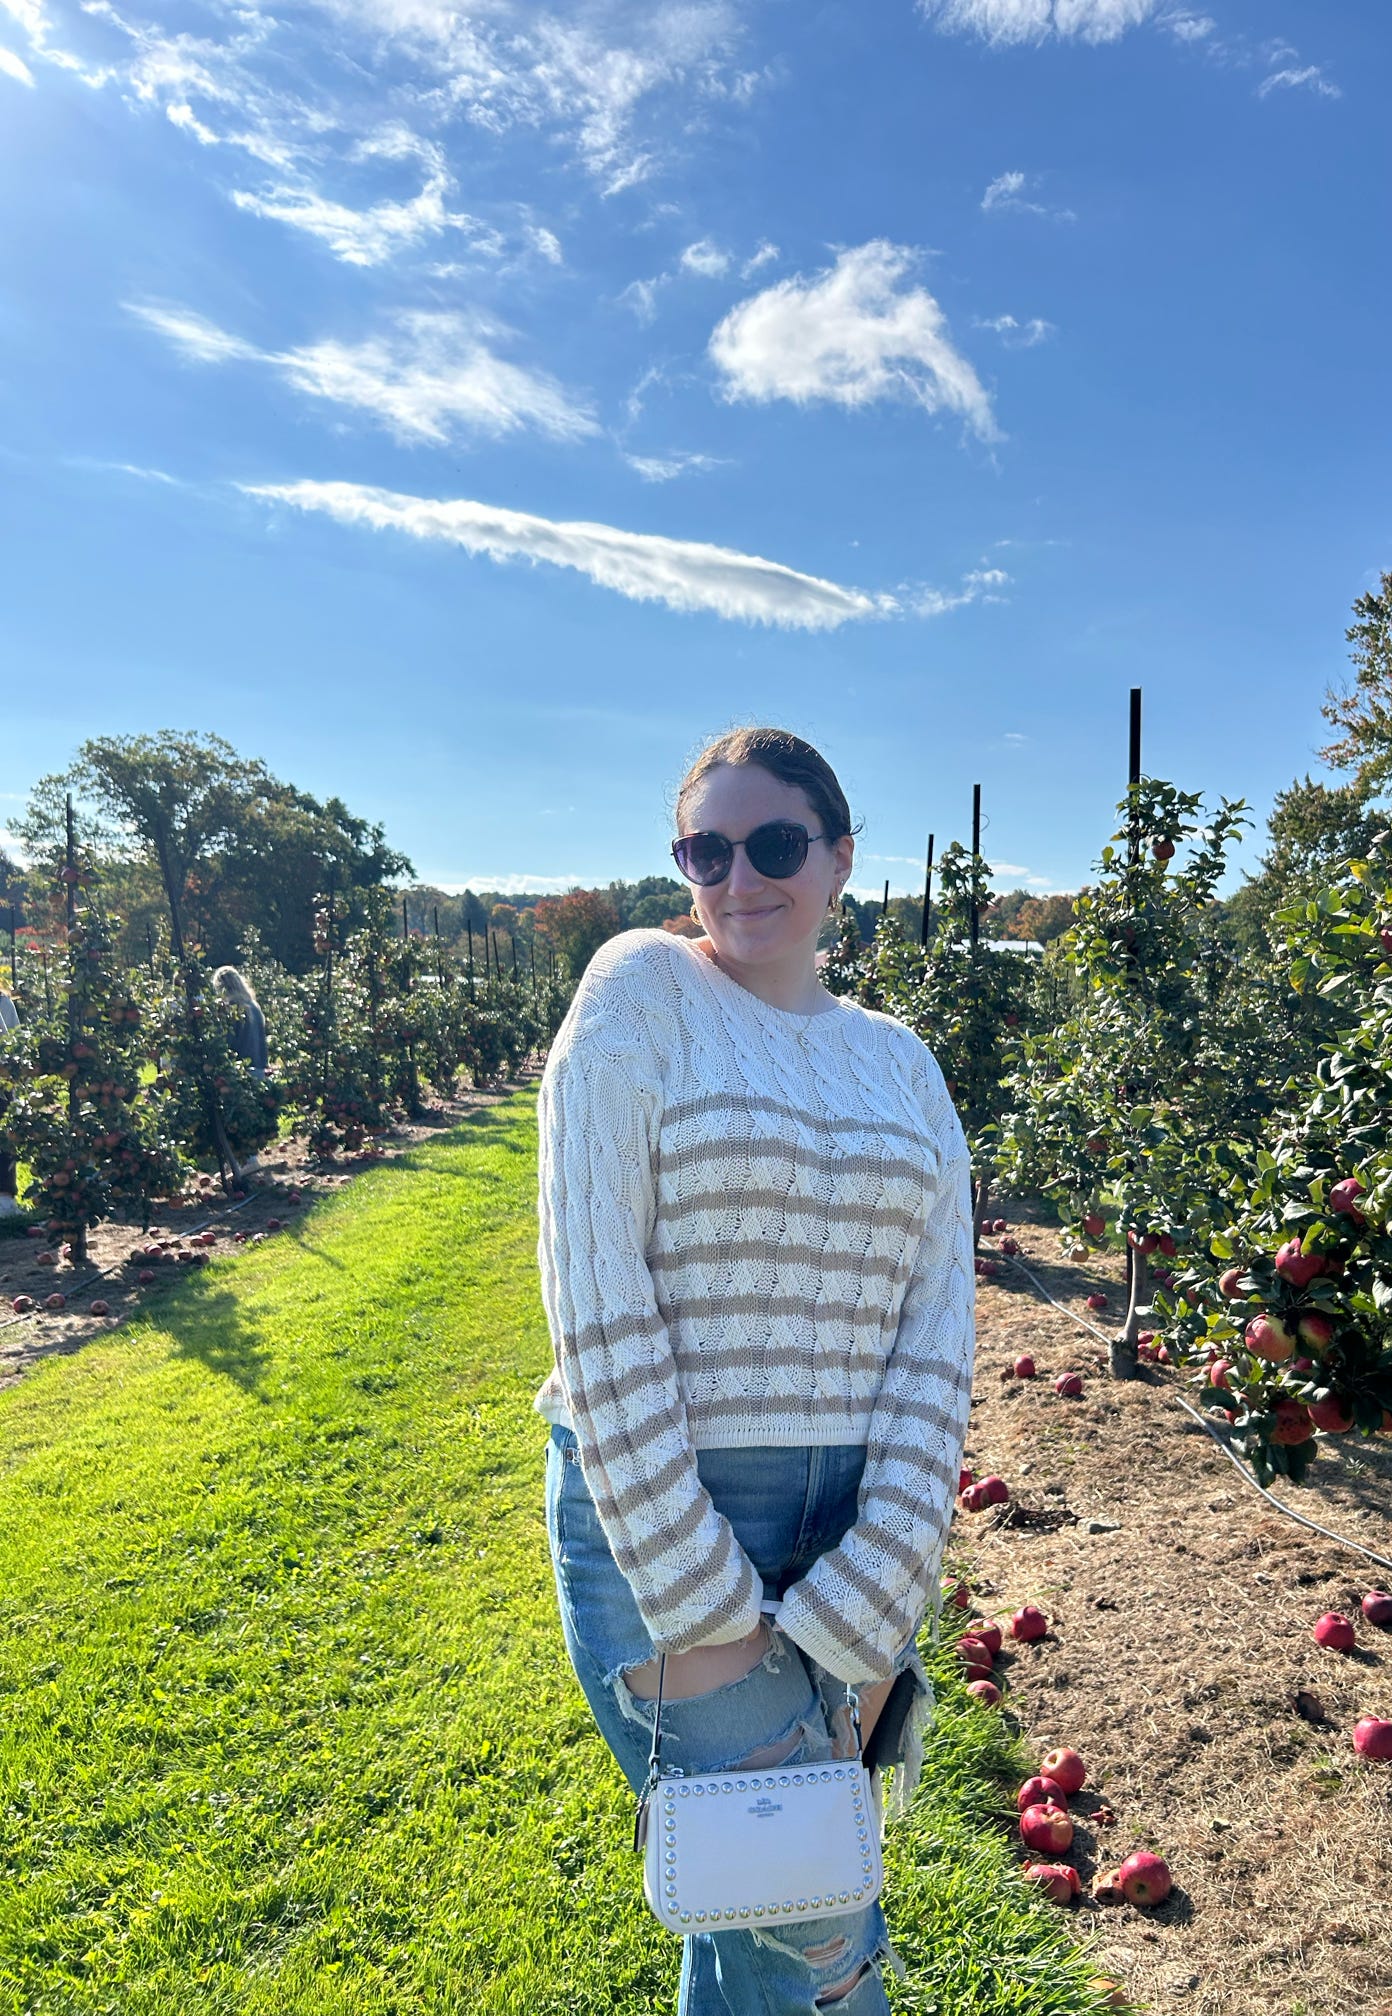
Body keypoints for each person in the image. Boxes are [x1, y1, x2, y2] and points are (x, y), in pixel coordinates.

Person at [536, 727, 976, 2016]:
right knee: (818, 1932)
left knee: (748, 1911)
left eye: (776, 843)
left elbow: (934, 1328)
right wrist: (697, 1583)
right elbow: (596, 1301)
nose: (738, 879)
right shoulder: (640, 994)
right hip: (660, 1507)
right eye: (704, 848)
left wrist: (889, 1568)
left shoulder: (903, 1062)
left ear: (841, 858)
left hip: (851, 1522)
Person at [211, 966, 267, 1077]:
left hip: (238, 1075)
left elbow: (225, 1044)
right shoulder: (254, 1007)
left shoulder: (230, 1008)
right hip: (260, 1072)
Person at [0, 983, 19, 1216]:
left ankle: (4, 1198)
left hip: (2, 1084)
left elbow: (12, 1044)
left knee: (5, 1140)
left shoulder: (4, 1003)